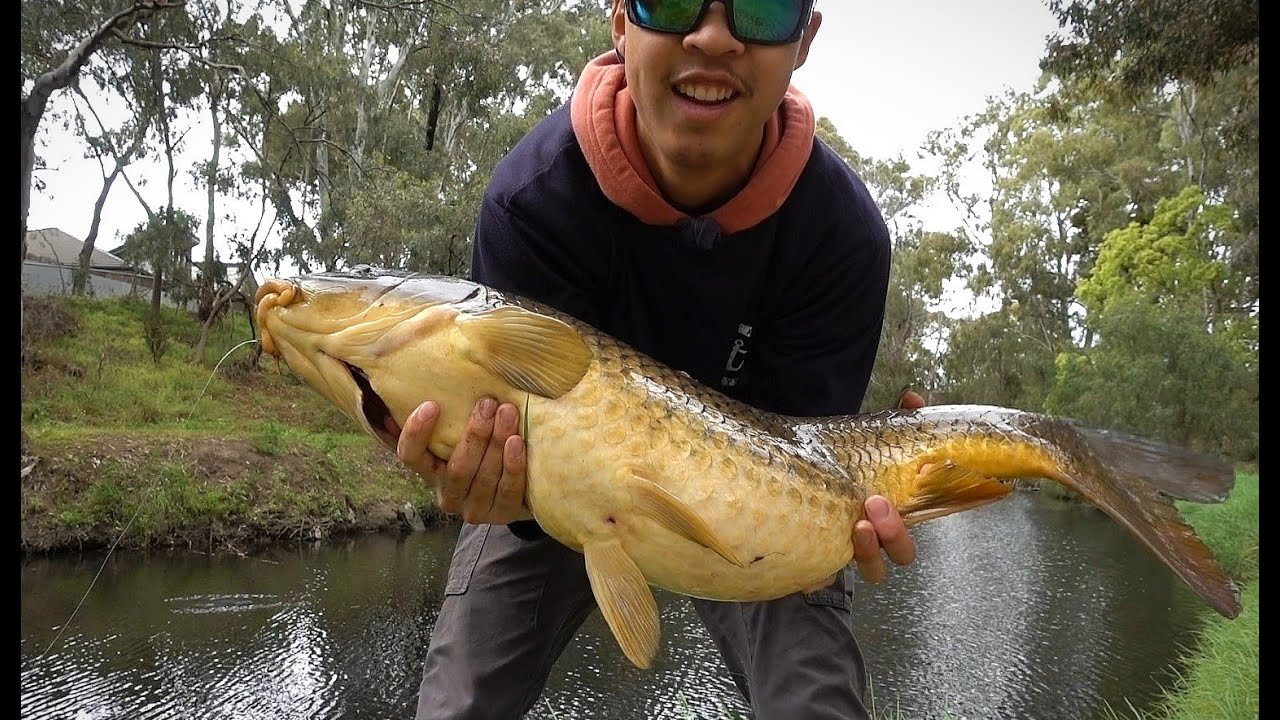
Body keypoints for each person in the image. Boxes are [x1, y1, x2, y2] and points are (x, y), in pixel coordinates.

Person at [396, 1, 920, 717]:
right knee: (461, 702)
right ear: (620, 23)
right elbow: (509, 431)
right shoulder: (531, 201)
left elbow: (808, 456)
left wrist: (849, 521)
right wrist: (496, 486)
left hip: (746, 495)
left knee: (813, 701)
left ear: (804, 40)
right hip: (564, 483)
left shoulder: (841, 234)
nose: (712, 37)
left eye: (762, 10)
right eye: (671, 2)